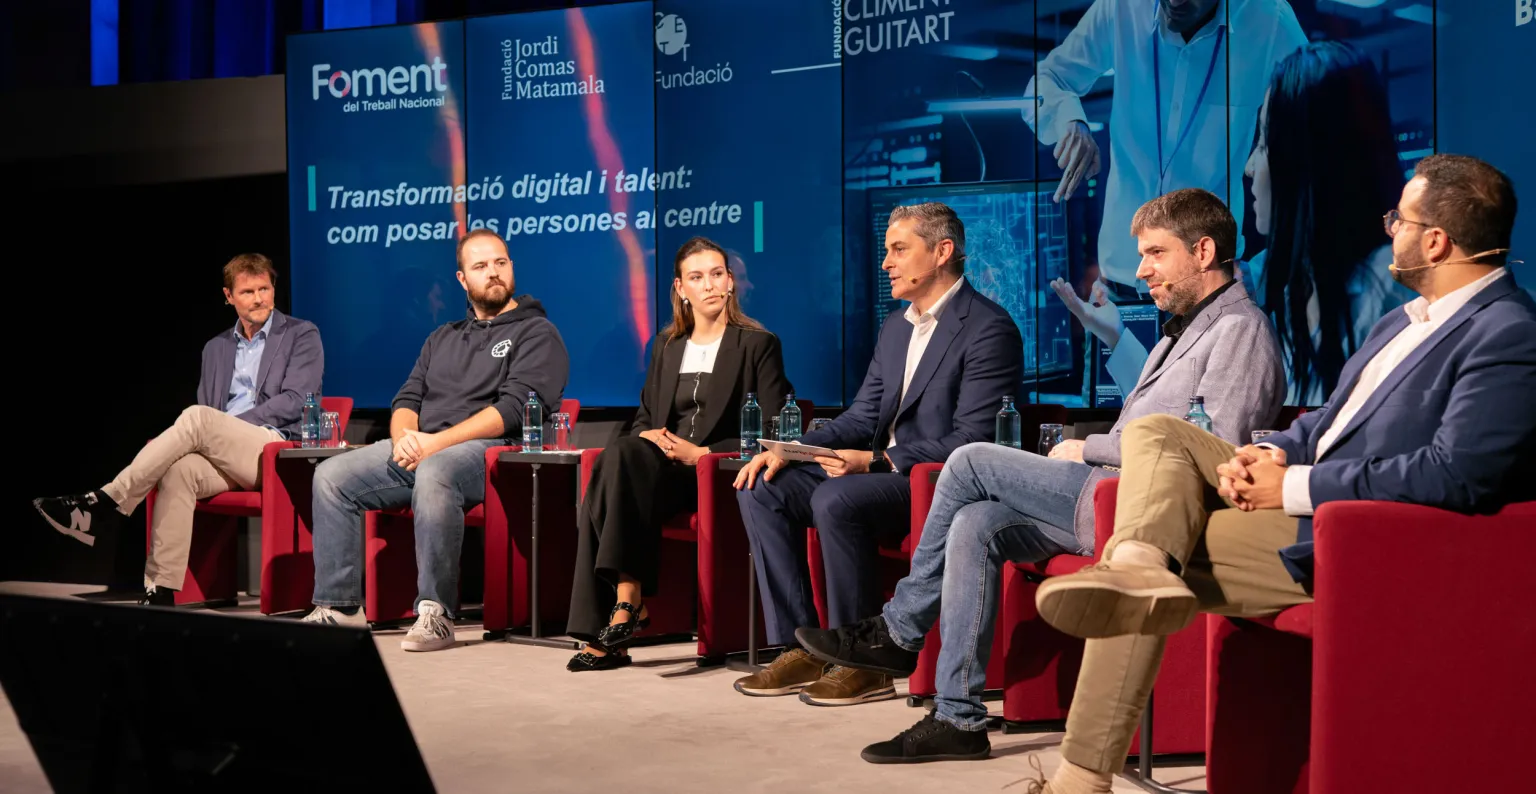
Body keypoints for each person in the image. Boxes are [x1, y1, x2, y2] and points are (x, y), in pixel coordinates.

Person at [1024, 154, 1534, 793]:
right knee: (1158, 438)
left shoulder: (1507, 331)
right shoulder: (1398, 323)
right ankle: (1139, 564)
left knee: (1149, 558)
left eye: (1397, 220)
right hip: (1313, 509)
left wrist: (1293, 486)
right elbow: (1325, 425)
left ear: (1435, 241)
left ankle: (1081, 770)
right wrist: (1272, 453)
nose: (1389, 232)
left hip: (1364, 542)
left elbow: (1457, 473)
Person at [794, 189, 1285, 763]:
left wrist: (1088, 446)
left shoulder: (1240, 329)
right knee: (975, 522)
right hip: (1104, 496)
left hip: (1145, 512)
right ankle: (957, 716)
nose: (1142, 271)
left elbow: (1212, 449)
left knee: (970, 459)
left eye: (1155, 254)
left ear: (1203, 252)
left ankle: (899, 631)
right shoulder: (1182, 328)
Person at [731, 202, 1024, 706]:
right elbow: (862, 417)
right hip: (874, 476)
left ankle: (862, 660)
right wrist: (794, 450)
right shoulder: (896, 327)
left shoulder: (988, 328)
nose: (885, 262)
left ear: (942, 252)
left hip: (929, 481)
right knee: (763, 487)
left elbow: (975, 440)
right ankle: (804, 644)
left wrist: (879, 461)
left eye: (898, 249)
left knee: (838, 498)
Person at [302, 230, 569, 651]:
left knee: (436, 470)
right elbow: (407, 399)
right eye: (481, 267)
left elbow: (514, 409)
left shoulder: (536, 332)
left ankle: (435, 612)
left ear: (512, 267)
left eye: (500, 263)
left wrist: (434, 444)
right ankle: (339, 608)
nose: (493, 273)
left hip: (496, 451)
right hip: (427, 447)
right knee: (333, 475)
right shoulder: (442, 336)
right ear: (463, 279)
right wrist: (406, 439)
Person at [31, 254, 323, 606]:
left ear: (274, 289)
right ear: (228, 296)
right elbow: (207, 410)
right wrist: (216, 429)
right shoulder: (215, 348)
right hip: (225, 452)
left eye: (265, 288)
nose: (259, 298)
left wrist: (224, 426)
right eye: (248, 291)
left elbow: (295, 401)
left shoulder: (300, 334)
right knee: (178, 472)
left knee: (198, 418)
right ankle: (162, 589)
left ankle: (104, 503)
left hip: (273, 448)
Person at [565, 237, 792, 672]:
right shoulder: (666, 347)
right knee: (619, 455)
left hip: (717, 473)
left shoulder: (757, 344)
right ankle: (628, 600)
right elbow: (642, 420)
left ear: (729, 282)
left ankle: (613, 624)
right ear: (680, 288)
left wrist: (702, 452)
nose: (708, 285)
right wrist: (651, 437)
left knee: (611, 475)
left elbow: (772, 431)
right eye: (696, 277)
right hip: (660, 473)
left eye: (716, 274)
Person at [1026, 0, 1305, 297]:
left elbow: (1325, 139)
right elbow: (1046, 80)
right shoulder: (1122, 7)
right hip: (1120, 290)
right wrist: (1068, 119)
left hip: (1208, 290)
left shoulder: (1268, 19)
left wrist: (1262, 271)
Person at [1243, 39, 1415, 405]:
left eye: (1264, 144)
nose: (1250, 168)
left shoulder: (1395, 290)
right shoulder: (1277, 285)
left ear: (1307, 159)